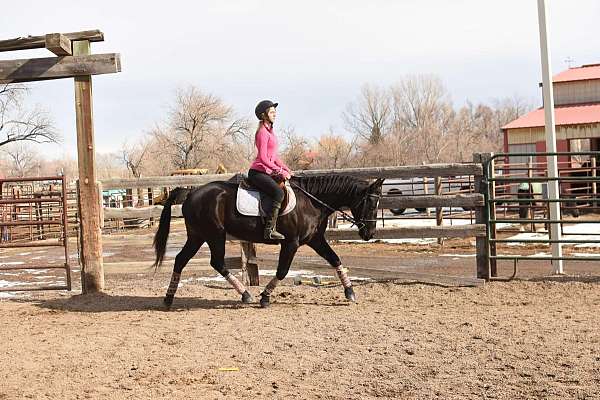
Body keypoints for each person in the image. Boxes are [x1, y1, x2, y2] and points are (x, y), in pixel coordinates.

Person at [248, 100, 292, 240]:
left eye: (275, 112)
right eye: (272, 112)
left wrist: (287, 169)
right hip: (257, 173)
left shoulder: (270, 132)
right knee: (278, 193)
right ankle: (269, 230)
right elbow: (263, 158)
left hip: (266, 171)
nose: (275, 114)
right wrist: (279, 171)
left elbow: (274, 157)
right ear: (264, 115)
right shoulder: (262, 133)